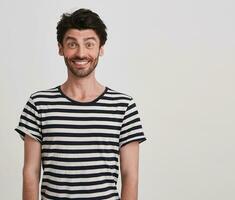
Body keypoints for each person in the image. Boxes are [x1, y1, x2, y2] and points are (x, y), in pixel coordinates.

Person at [14, 8, 146, 200]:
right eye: (72, 44)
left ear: (101, 49)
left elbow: (130, 176)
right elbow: (31, 173)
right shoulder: (38, 104)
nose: (81, 53)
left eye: (89, 44)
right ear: (61, 48)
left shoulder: (124, 106)